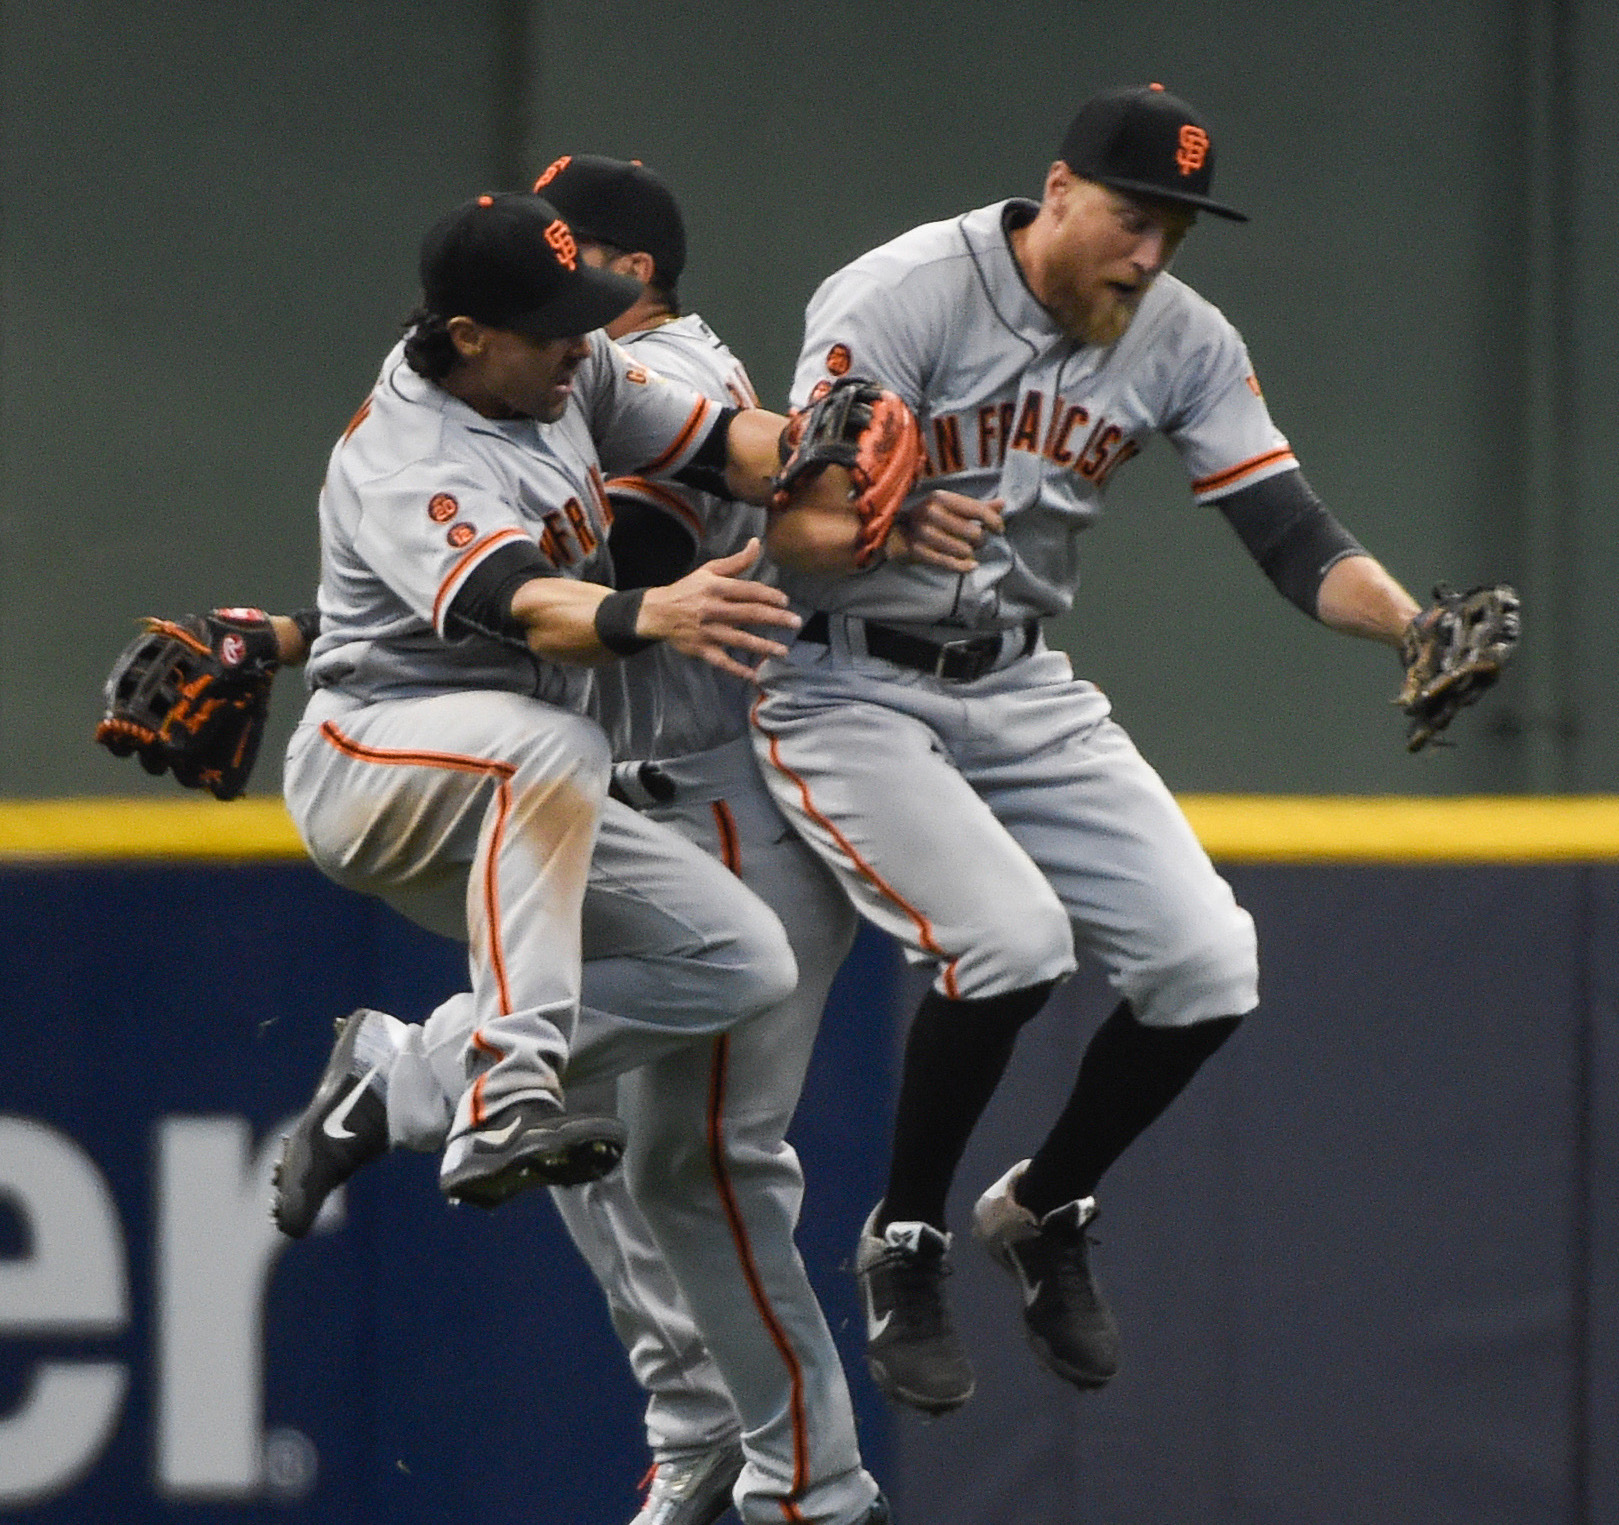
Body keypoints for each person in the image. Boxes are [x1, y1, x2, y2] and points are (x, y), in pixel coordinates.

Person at [753, 82, 1479, 1414]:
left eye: (1176, 233)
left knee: (1210, 963)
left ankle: (1043, 1204)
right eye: (1134, 220)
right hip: (846, 682)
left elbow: (1286, 528)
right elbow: (792, 518)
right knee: (1012, 942)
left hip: (1023, 684)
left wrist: (1407, 623)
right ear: (1062, 190)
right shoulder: (902, 294)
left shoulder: (1181, 336)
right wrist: (879, 518)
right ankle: (904, 1236)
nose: (1151, 255)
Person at [281, 189, 885, 1525]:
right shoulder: (411, 450)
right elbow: (526, 602)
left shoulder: (576, 365)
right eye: (552, 324)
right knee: (660, 1142)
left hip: (566, 781)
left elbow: (725, 444)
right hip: (393, 765)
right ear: (464, 333)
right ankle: (801, 1486)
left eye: (591, 307)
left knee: (729, 967)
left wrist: (815, 447)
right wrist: (646, 605)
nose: (584, 344)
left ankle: (434, 1068)